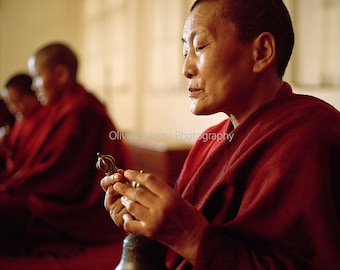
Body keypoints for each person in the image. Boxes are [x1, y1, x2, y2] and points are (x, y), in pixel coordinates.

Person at [101, 0, 340, 269]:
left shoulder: (311, 136)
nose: (185, 69)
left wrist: (192, 238)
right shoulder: (210, 140)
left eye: (200, 47)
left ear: (261, 52)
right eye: (184, 51)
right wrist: (145, 216)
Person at [0, 43, 131, 257]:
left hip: (68, 210)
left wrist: (16, 183)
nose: (34, 87)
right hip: (43, 195)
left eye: (37, 77)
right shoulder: (59, 108)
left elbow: (64, 179)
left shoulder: (81, 111)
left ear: (60, 74)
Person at [0, 73, 44, 177]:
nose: (14, 108)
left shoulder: (46, 117)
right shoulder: (20, 120)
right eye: (10, 104)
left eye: (18, 101)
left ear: (34, 95)